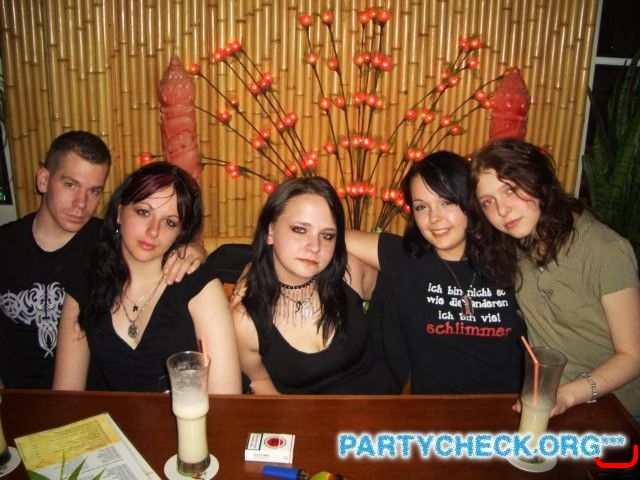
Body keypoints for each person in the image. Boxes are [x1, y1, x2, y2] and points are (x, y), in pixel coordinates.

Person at [0, 131, 206, 389]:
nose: (81, 203)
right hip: (17, 398)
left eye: (94, 191)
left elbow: (158, 239)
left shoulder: (113, 242)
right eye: (70, 184)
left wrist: (192, 249)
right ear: (43, 180)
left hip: (93, 397)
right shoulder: (5, 246)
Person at [469, 138, 640, 417]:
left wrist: (566, 396)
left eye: (510, 190)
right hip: (552, 404)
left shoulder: (605, 249)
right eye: (488, 202)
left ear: (538, 180)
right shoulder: (514, 248)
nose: (501, 210)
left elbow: (633, 356)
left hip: (618, 409)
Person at [52, 162, 241, 393]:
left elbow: (225, 397)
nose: (153, 230)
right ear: (119, 212)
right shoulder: (86, 284)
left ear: (180, 232)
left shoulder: (199, 285)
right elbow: (67, 394)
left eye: (169, 222)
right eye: (143, 212)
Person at [347, 151, 526, 394]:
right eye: (421, 207)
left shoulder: (511, 260)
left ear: (470, 200)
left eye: (446, 202)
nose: (434, 218)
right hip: (432, 411)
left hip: (505, 409)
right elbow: (326, 236)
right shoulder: (405, 259)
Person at [232, 176, 395, 394]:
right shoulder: (245, 321)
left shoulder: (348, 273)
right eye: (300, 230)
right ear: (270, 231)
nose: (315, 246)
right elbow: (259, 380)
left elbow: (402, 286)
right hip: (307, 415)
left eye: (327, 235)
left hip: (383, 407)